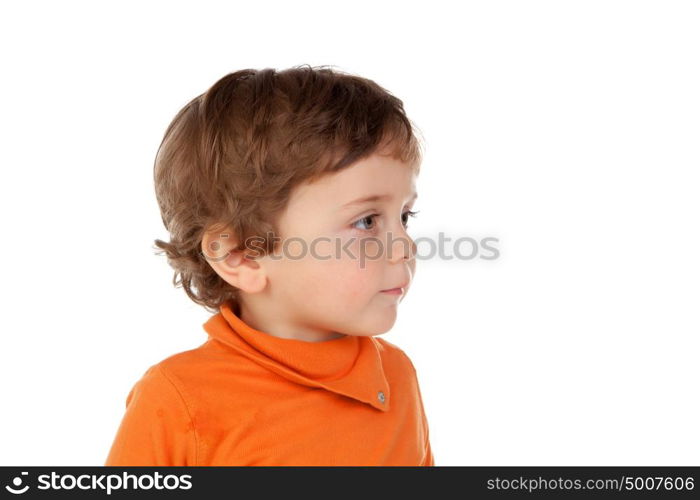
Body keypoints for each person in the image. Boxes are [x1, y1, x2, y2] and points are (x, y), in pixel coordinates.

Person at [104, 65, 434, 466]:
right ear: (241, 255)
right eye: (366, 221)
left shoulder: (396, 375)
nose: (404, 247)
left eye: (405, 216)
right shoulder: (179, 402)